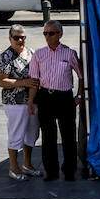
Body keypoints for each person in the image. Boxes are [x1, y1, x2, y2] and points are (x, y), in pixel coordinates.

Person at [27, 20, 83, 181]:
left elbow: (81, 76)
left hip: (64, 97)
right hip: (45, 97)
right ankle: (51, 171)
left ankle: (70, 170)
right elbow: (34, 80)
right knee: (48, 135)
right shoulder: (39, 54)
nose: (47, 37)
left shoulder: (69, 53)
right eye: (45, 33)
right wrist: (31, 101)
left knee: (68, 135)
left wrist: (79, 95)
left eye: (51, 33)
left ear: (60, 34)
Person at [0, 25, 40, 179]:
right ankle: (14, 168)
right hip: (15, 102)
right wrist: (24, 82)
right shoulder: (6, 56)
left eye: (22, 37)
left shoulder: (32, 53)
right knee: (16, 134)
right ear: (10, 39)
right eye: (16, 37)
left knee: (32, 133)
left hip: (33, 100)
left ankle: (27, 164)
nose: (20, 40)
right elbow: (2, 81)